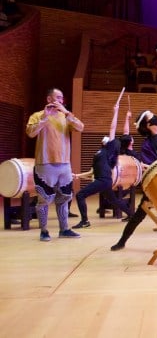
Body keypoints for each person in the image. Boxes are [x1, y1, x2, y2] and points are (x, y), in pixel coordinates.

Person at [111, 71, 157, 251]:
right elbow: (150, 168)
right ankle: (122, 241)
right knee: (140, 213)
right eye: (150, 116)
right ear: (147, 125)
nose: (155, 115)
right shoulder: (147, 146)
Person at [26, 88, 85, 241]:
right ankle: (44, 231)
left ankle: (64, 229)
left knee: (64, 197)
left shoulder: (66, 116)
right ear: (49, 99)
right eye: (57, 97)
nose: (60, 100)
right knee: (44, 199)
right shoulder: (37, 115)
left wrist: (67, 113)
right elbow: (31, 133)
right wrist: (45, 118)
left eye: (62, 98)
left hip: (64, 164)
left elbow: (80, 127)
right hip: (45, 163)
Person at [73, 100, 134, 229]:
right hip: (103, 181)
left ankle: (84, 221)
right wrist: (77, 175)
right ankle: (131, 215)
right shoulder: (100, 153)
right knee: (114, 200)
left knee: (80, 195)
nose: (105, 138)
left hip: (103, 180)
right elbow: (92, 172)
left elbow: (112, 128)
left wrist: (115, 112)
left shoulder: (108, 151)